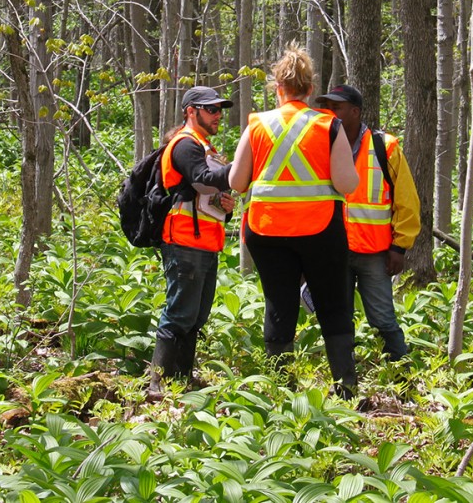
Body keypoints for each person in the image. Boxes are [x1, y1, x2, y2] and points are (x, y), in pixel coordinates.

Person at [227, 45, 364, 397]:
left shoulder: (258, 124)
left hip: (267, 230)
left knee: (279, 304)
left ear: (278, 88)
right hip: (320, 230)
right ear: (309, 89)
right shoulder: (327, 124)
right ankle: (345, 388)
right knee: (333, 304)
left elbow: (237, 183)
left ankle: (281, 390)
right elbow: (348, 183)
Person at [314, 84, 421, 361]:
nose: (330, 113)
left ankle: (402, 376)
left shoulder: (384, 147)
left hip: (376, 253)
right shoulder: (319, 146)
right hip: (334, 252)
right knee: (339, 319)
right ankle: (344, 379)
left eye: (336, 107)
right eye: (327, 107)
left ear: (355, 111)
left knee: (384, 318)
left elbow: (407, 200)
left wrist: (400, 247)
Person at [149, 86, 236, 391]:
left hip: (205, 243)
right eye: (210, 109)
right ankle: (157, 384)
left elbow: (207, 192)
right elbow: (203, 178)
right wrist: (240, 170)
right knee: (179, 313)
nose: (218, 115)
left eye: (219, 110)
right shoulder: (185, 145)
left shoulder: (204, 147)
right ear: (191, 111)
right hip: (184, 241)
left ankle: (182, 379)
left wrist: (226, 205)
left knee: (195, 316)